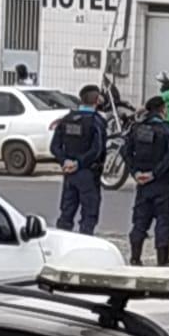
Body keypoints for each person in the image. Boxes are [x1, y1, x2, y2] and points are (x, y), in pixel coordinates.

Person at [122, 97, 169, 266]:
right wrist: (154, 174)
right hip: (162, 183)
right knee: (163, 221)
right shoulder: (167, 130)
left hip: (142, 183)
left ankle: (135, 258)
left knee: (139, 221)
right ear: (162, 109)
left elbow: (125, 152)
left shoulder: (136, 129)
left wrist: (136, 173)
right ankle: (163, 261)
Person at [50, 85, 106, 235]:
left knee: (66, 212)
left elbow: (54, 146)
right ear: (97, 100)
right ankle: (85, 244)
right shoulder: (96, 121)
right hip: (88, 172)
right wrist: (79, 163)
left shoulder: (67, 119)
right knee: (89, 214)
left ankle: (61, 243)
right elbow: (97, 149)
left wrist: (65, 161)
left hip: (69, 173)